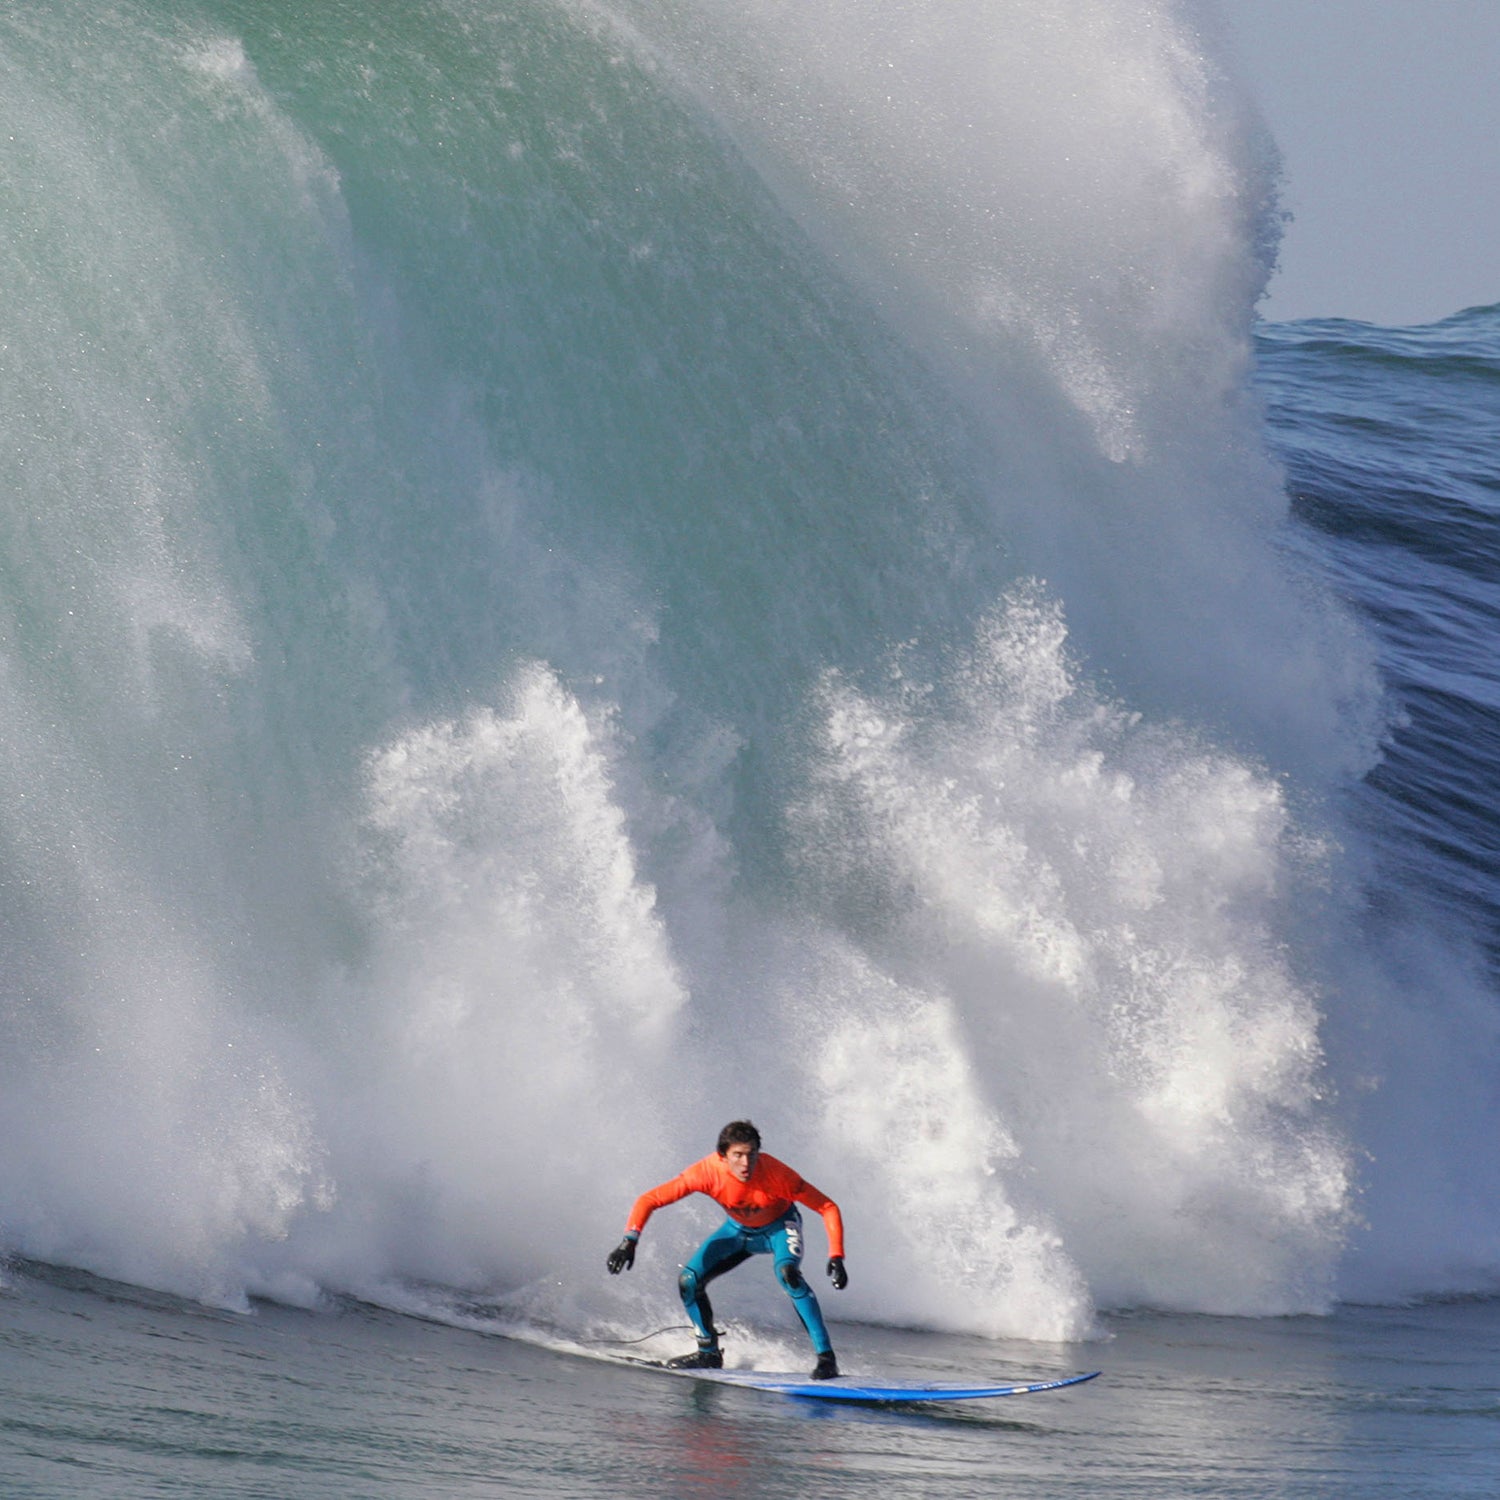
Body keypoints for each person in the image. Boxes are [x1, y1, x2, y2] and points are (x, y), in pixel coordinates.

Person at [606, 1119, 848, 1378]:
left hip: (780, 1229)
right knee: (688, 1280)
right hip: (737, 1232)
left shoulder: (779, 1175)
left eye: (752, 1154)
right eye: (738, 1155)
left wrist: (836, 1255)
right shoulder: (706, 1172)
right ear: (723, 1156)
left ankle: (826, 1359)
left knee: (789, 1274)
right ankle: (708, 1352)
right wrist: (629, 1241)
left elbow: (827, 1207)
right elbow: (649, 1199)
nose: (746, 1163)